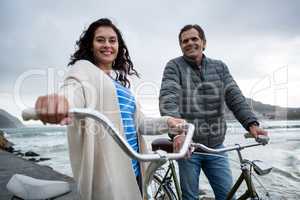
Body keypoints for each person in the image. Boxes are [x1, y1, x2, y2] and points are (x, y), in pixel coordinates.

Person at [34, 18, 185, 200]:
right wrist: (62, 103)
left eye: (112, 40)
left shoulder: (120, 86)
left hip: (136, 167)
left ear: (118, 46)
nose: (107, 45)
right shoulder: (82, 69)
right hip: (109, 173)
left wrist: (168, 122)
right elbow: (72, 90)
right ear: (91, 45)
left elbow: (140, 124)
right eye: (100, 40)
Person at [159, 24, 268, 200]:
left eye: (194, 38)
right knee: (189, 197)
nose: (190, 43)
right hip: (188, 146)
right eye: (185, 41)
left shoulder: (220, 67)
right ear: (181, 46)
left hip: (216, 147)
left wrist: (252, 124)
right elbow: (168, 98)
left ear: (204, 42)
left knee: (227, 195)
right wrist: (179, 132)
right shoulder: (174, 66)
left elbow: (235, 98)